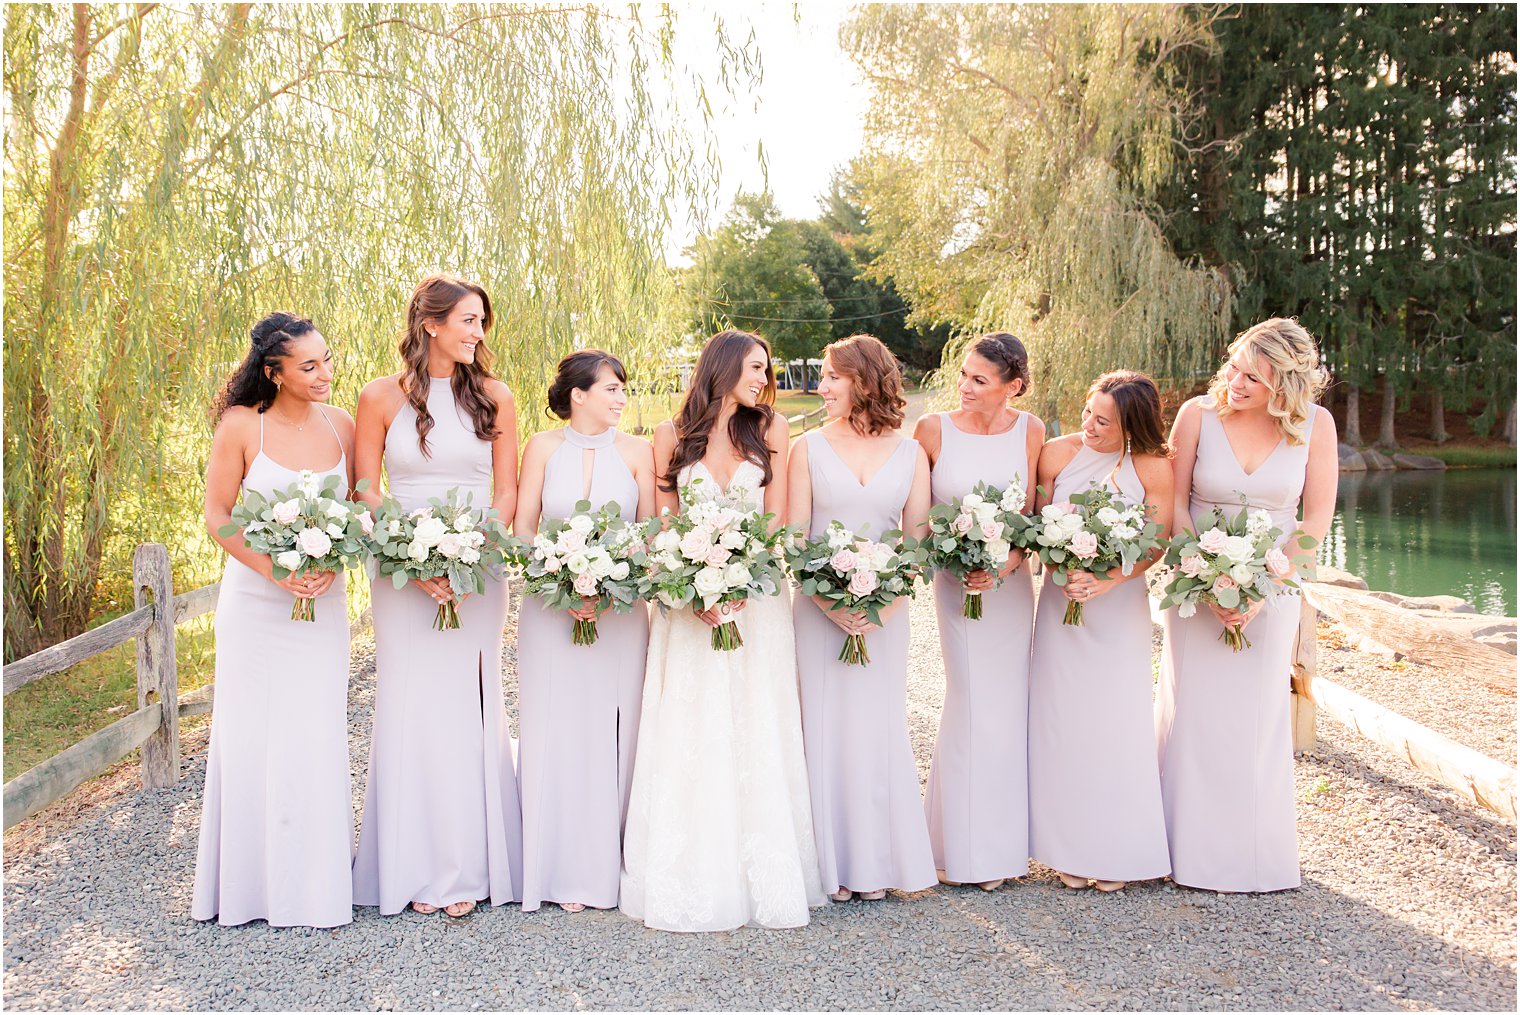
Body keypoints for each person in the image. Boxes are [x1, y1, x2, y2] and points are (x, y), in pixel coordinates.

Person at [620, 329, 826, 932]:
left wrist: (735, 581)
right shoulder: (669, 436)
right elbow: (664, 525)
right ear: (724, 365)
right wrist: (694, 586)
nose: (765, 378)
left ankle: (761, 871)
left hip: (755, 600)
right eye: (756, 367)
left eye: (769, 367)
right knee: (692, 721)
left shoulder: (771, 431)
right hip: (688, 609)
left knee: (755, 720)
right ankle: (691, 867)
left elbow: (777, 520)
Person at [351, 273, 522, 918]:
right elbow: (367, 486)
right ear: (431, 324)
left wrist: (472, 552)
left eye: (482, 321)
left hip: (479, 565)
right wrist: (409, 555)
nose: (479, 332)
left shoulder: (497, 398)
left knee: (471, 701)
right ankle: (412, 865)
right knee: (411, 699)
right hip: (401, 569)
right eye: (468, 320)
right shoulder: (378, 398)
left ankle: (471, 866)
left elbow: (505, 493)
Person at [1156, 318, 1338, 892]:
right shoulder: (1197, 416)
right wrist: (1203, 576)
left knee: (1257, 718)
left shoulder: (1317, 426)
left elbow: (1315, 522)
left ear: (1284, 386)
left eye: (1253, 378)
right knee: (1195, 712)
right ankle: (1180, 852)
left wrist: (1261, 587)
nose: (1235, 383)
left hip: (1274, 588)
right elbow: (1174, 503)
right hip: (1194, 585)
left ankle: (1254, 856)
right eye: (1234, 367)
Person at [194, 311, 356, 928]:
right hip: (258, 603)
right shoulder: (241, 426)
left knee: (314, 729)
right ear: (274, 371)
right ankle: (248, 889)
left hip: (324, 602)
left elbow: (357, 509)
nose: (323, 374)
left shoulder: (341, 426)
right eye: (307, 365)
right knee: (253, 731)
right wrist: (273, 569)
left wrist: (335, 561)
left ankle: (315, 885)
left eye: (327, 359)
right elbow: (217, 513)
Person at [790, 334, 937, 903]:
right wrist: (831, 603)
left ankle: (877, 860)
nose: (821, 387)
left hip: (885, 614)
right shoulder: (807, 449)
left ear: (865, 382)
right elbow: (795, 540)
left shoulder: (910, 454)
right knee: (821, 722)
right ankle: (827, 864)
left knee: (877, 724)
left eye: (831, 377)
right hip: (817, 610)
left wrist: (880, 603)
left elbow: (916, 541)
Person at [513, 350, 655, 914]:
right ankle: (557, 866)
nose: (622, 399)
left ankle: (609, 865)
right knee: (556, 725)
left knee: (616, 730)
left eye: (624, 389)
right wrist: (563, 579)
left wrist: (605, 582)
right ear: (578, 394)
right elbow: (524, 526)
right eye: (612, 389)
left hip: (620, 613)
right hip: (551, 610)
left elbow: (649, 532)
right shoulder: (543, 447)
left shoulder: (640, 451)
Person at [1027, 371, 1173, 892]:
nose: (1089, 426)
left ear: (1130, 425)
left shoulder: (1152, 464)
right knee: (1061, 720)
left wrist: (1109, 578)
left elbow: (1157, 542)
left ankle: (1116, 847)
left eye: (1103, 421)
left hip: (1118, 608)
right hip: (1061, 604)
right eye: (1087, 412)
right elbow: (1034, 525)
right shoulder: (1056, 453)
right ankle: (1066, 845)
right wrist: (1061, 560)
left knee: (1116, 721)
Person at [917, 333, 1043, 892]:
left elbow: (1034, 514)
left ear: (1012, 387)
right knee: (969, 700)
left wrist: (1009, 562)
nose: (964, 387)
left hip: (1009, 587)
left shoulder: (1031, 430)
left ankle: (1001, 848)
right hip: (956, 582)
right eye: (964, 375)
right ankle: (960, 849)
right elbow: (916, 512)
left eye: (979, 380)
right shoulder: (933, 429)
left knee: (1007, 704)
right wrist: (951, 559)